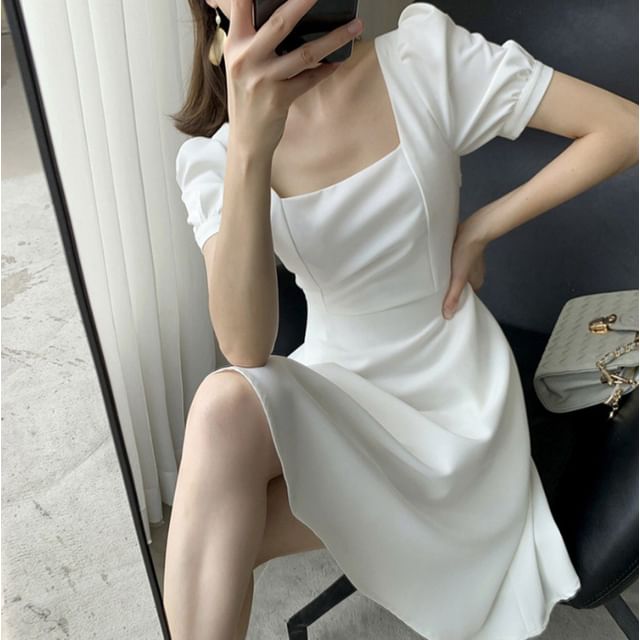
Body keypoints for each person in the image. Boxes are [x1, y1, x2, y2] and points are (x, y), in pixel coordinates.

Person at [165, 1, 639, 639]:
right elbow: (244, 346)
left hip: (453, 395)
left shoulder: (421, 60)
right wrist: (250, 145)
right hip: (339, 385)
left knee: (219, 528)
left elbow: (623, 128)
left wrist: (482, 227)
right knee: (223, 411)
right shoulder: (214, 160)